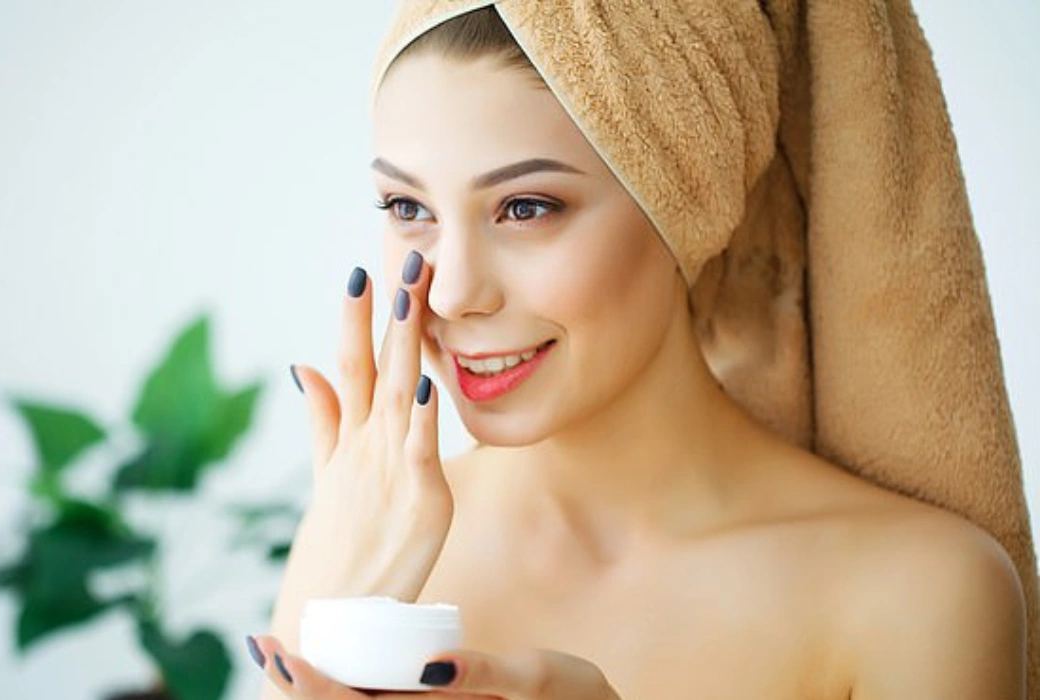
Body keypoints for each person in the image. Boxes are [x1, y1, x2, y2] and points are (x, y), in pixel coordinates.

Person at [248, 4, 1029, 699]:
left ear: (688, 202)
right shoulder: (365, 543)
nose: (450, 295)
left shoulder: (920, 596)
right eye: (407, 207)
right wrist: (332, 615)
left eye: (526, 208)